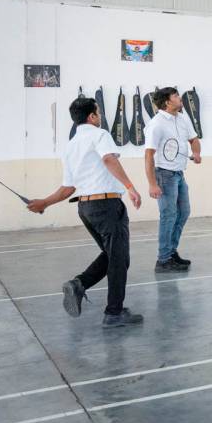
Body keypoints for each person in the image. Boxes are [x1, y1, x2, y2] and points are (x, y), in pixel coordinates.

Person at [26, 97, 144, 327]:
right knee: (119, 260)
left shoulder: (71, 146)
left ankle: (79, 285)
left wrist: (44, 203)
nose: (99, 117)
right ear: (92, 116)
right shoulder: (100, 135)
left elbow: (68, 189)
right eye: (98, 113)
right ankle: (114, 313)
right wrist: (130, 187)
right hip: (108, 206)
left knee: (114, 256)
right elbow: (109, 159)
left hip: (86, 209)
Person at [145, 86, 201, 273]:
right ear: (168, 102)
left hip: (178, 173)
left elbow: (193, 139)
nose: (180, 97)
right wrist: (152, 184)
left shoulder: (183, 117)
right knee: (168, 216)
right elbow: (148, 155)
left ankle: (171, 252)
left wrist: (196, 152)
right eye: (176, 95)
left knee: (183, 212)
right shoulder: (157, 124)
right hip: (164, 174)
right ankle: (163, 260)